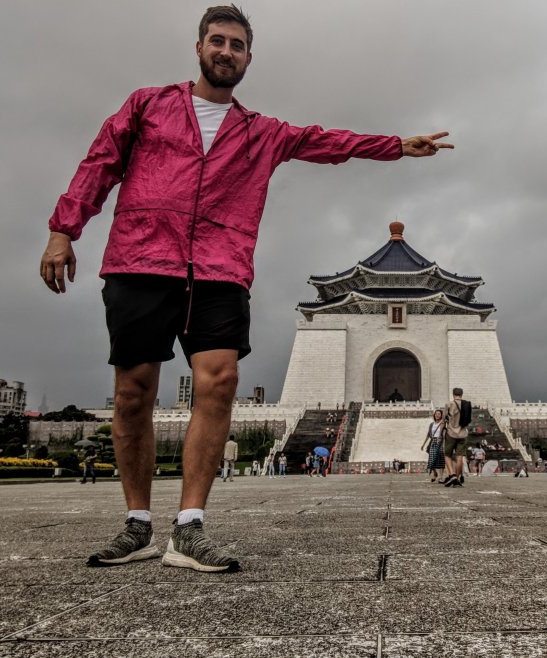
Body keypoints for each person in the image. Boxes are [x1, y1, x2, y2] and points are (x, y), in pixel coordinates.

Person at [39, 5, 453, 573]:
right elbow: (100, 163)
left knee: (219, 382)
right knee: (133, 392)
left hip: (219, 266)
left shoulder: (261, 132)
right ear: (199, 48)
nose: (226, 51)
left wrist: (396, 145)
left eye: (236, 45)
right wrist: (63, 230)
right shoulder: (147, 105)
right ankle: (137, 523)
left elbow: (324, 141)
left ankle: (189, 527)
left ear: (249, 58)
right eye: (217, 41)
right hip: (142, 259)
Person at [442, 388, 469, 487]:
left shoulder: (449, 404)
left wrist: (441, 433)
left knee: (447, 455)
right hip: (463, 434)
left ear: (453, 394)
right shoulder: (466, 404)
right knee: (459, 457)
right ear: (462, 394)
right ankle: (456, 480)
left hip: (451, 433)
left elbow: (443, 420)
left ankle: (452, 475)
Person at [420, 409, 446, 482]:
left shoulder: (442, 423)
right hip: (433, 441)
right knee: (431, 459)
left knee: (441, 459)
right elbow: (428, 435)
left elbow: (443, 432)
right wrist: (423, 444)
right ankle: (435, 473)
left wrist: (440, 438)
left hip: (440, 442)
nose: (437, 415)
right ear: (434, 415)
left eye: (439, 414)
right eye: (436, 414)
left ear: (441, 415)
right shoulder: (432, 424)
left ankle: (441, 477)